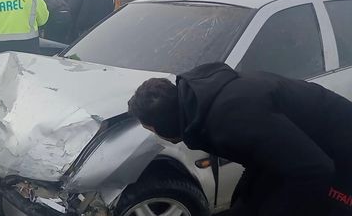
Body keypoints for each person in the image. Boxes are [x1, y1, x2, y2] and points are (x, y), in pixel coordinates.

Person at [128, 62, 352, 216]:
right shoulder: (199, 105)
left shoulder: (230, 121)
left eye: (152, 129)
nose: (156, 136)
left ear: (166, 124)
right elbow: (259, 157)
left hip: (338, 153)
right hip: (302, 153)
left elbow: (316, 171)